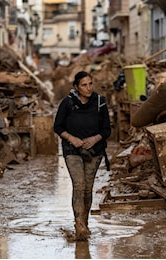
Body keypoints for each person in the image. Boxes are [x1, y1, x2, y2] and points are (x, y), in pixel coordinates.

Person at [54, 71, 111, 240]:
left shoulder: (100, 103)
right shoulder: (68, 103)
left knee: (87, 188)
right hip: (72, 151)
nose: (88, 88)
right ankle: (79, 225)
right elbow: (58, 127)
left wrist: (95, 138)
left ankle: (84, 224)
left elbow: (107, 129)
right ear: (76, 87)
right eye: (84, 85)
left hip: (95, 151)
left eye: (90, 84)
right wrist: (72, 139)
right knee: (79, 185)